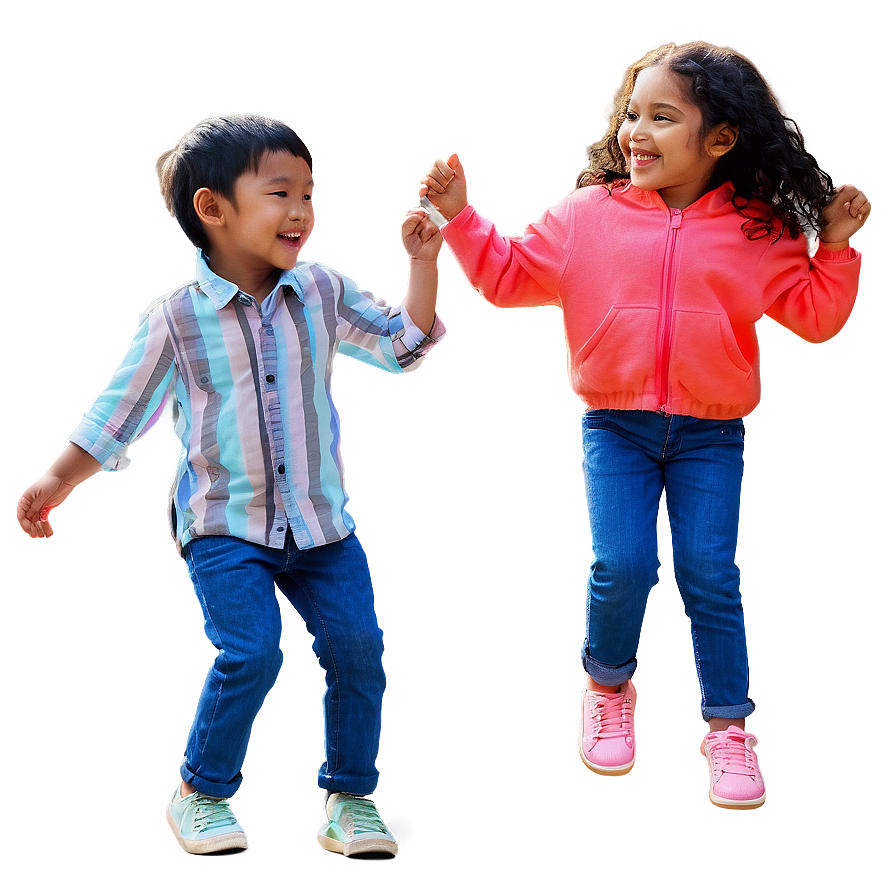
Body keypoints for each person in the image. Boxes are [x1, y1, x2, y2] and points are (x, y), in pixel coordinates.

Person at [419, 41, 869, 808]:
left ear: (720, 139)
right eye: (633, 113)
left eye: (663, 116)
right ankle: (605, 686)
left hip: (711, 434)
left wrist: (832, 247)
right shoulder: (584, 217)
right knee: (621, 566)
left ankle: (728, 729)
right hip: (615, 427)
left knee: (711, 574)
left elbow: (817, 317)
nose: (636, 131)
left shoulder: (755, 233)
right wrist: (459, 215)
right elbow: (507, 277)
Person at [16, 113, 445, 854]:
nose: (303, 212)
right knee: (250, 653)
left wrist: (425, 264)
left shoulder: (321, 291)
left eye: (310, 194)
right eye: (281, 193)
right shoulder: (176, 321)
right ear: (213, 209)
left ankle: (352, 800)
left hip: (322, 524)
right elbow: (117, 415)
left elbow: (405, 343)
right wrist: (55, 480)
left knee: (360, 648)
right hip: (224, 525)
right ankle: (201, 792)